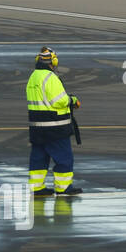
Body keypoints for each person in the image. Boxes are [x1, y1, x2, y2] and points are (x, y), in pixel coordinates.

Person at [25, 47, 82, 196]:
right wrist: (72, 100)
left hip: (37, 126)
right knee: (64, 157)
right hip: (54, 126)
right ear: (53, 61)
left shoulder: (33, 77)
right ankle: (63, 187)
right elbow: (59, 101)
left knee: (39, 157)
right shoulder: (50, 77)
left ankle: (37, 187)